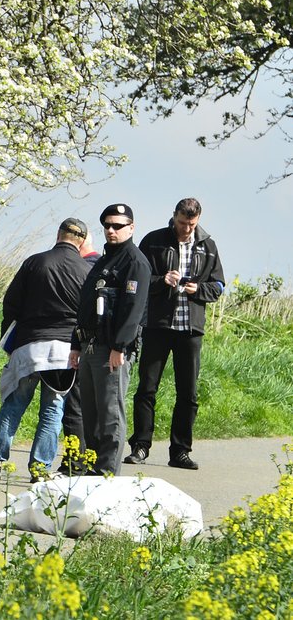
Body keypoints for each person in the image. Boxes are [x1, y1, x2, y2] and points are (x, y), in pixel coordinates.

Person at [0, 218, 90, 482]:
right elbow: (88, 316)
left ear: (58, 234)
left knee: (14, 404)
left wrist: (9, 341)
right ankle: (40, 469)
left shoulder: (35, 262)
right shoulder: (85, 270)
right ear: (81, 242)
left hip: (30, 346)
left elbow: (11, 304)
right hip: (64, 351)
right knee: (52, 411)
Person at [125, 198, 225, 470]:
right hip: (158, 325)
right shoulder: (154, 241)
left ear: (198, 220)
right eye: (182, 223)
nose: (187, 229)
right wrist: (161, 281)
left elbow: (218, 286)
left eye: (191, 224)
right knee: (147, 388)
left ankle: (180, 451)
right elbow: (137, 278)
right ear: (174, 216)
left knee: (188, 393)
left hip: (190, 329)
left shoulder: (208, 246)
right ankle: (140, 446)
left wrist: (198, 290)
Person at [68, 204, 150, 476]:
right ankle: (92, 468)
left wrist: (120, 346)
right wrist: (75, 344)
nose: (111, 230)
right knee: (91, 415)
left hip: (112, 350)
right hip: (90, 345)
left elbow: (133, 310)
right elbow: (86, 306)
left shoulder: (135, 262)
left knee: (110, 413)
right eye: (107, 225)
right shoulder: (104, 259)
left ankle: (107, 473)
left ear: (131, 227)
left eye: (118, 225)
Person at [58, 230, 100, 473]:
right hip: (88, 342)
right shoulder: (95, 267)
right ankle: (82, 460)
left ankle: (74, 463)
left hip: (79, 341)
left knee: (74, 405)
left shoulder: (86, 267)